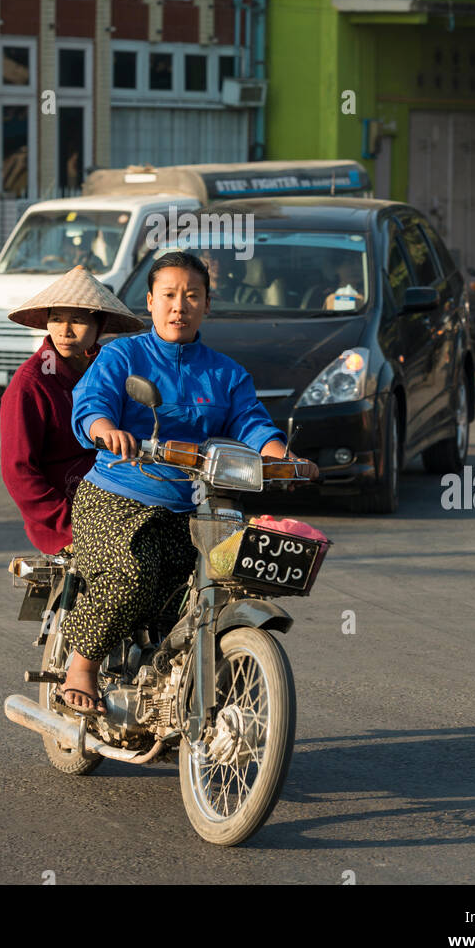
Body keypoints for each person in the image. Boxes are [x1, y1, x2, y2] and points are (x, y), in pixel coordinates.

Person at [57, 250, 320, 717]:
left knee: (228, 581)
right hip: (119, 494)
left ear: (206, 305)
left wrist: (285, 458)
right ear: (151, 302)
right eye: (170, 295)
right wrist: (106, 429)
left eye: (192, 296)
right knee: (130, 574)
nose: (180, 306)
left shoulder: (226, 373)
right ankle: (82, 667)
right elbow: (92, 405)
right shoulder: (123, 354)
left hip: (198, 505)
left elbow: (254, 425)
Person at [0, 266, 145, 557]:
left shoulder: (110, 367)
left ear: (99, 325)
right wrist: (68, 525)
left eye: (77, 321)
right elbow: (18, 470)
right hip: (66, 516)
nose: (64, 332)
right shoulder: (30, 384)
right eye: (56, 319)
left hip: (118, 500)